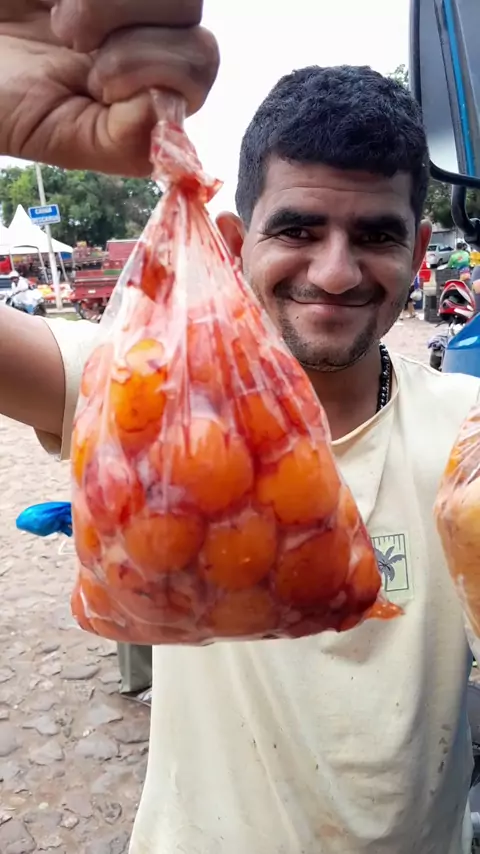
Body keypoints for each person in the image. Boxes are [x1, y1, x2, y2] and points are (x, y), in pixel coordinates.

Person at [1, 4, 480, 853]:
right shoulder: (142, 390)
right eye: (298, 228)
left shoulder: (467, 434)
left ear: (419, 251)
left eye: (375, 235)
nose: (335, 271)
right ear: (233, 238)